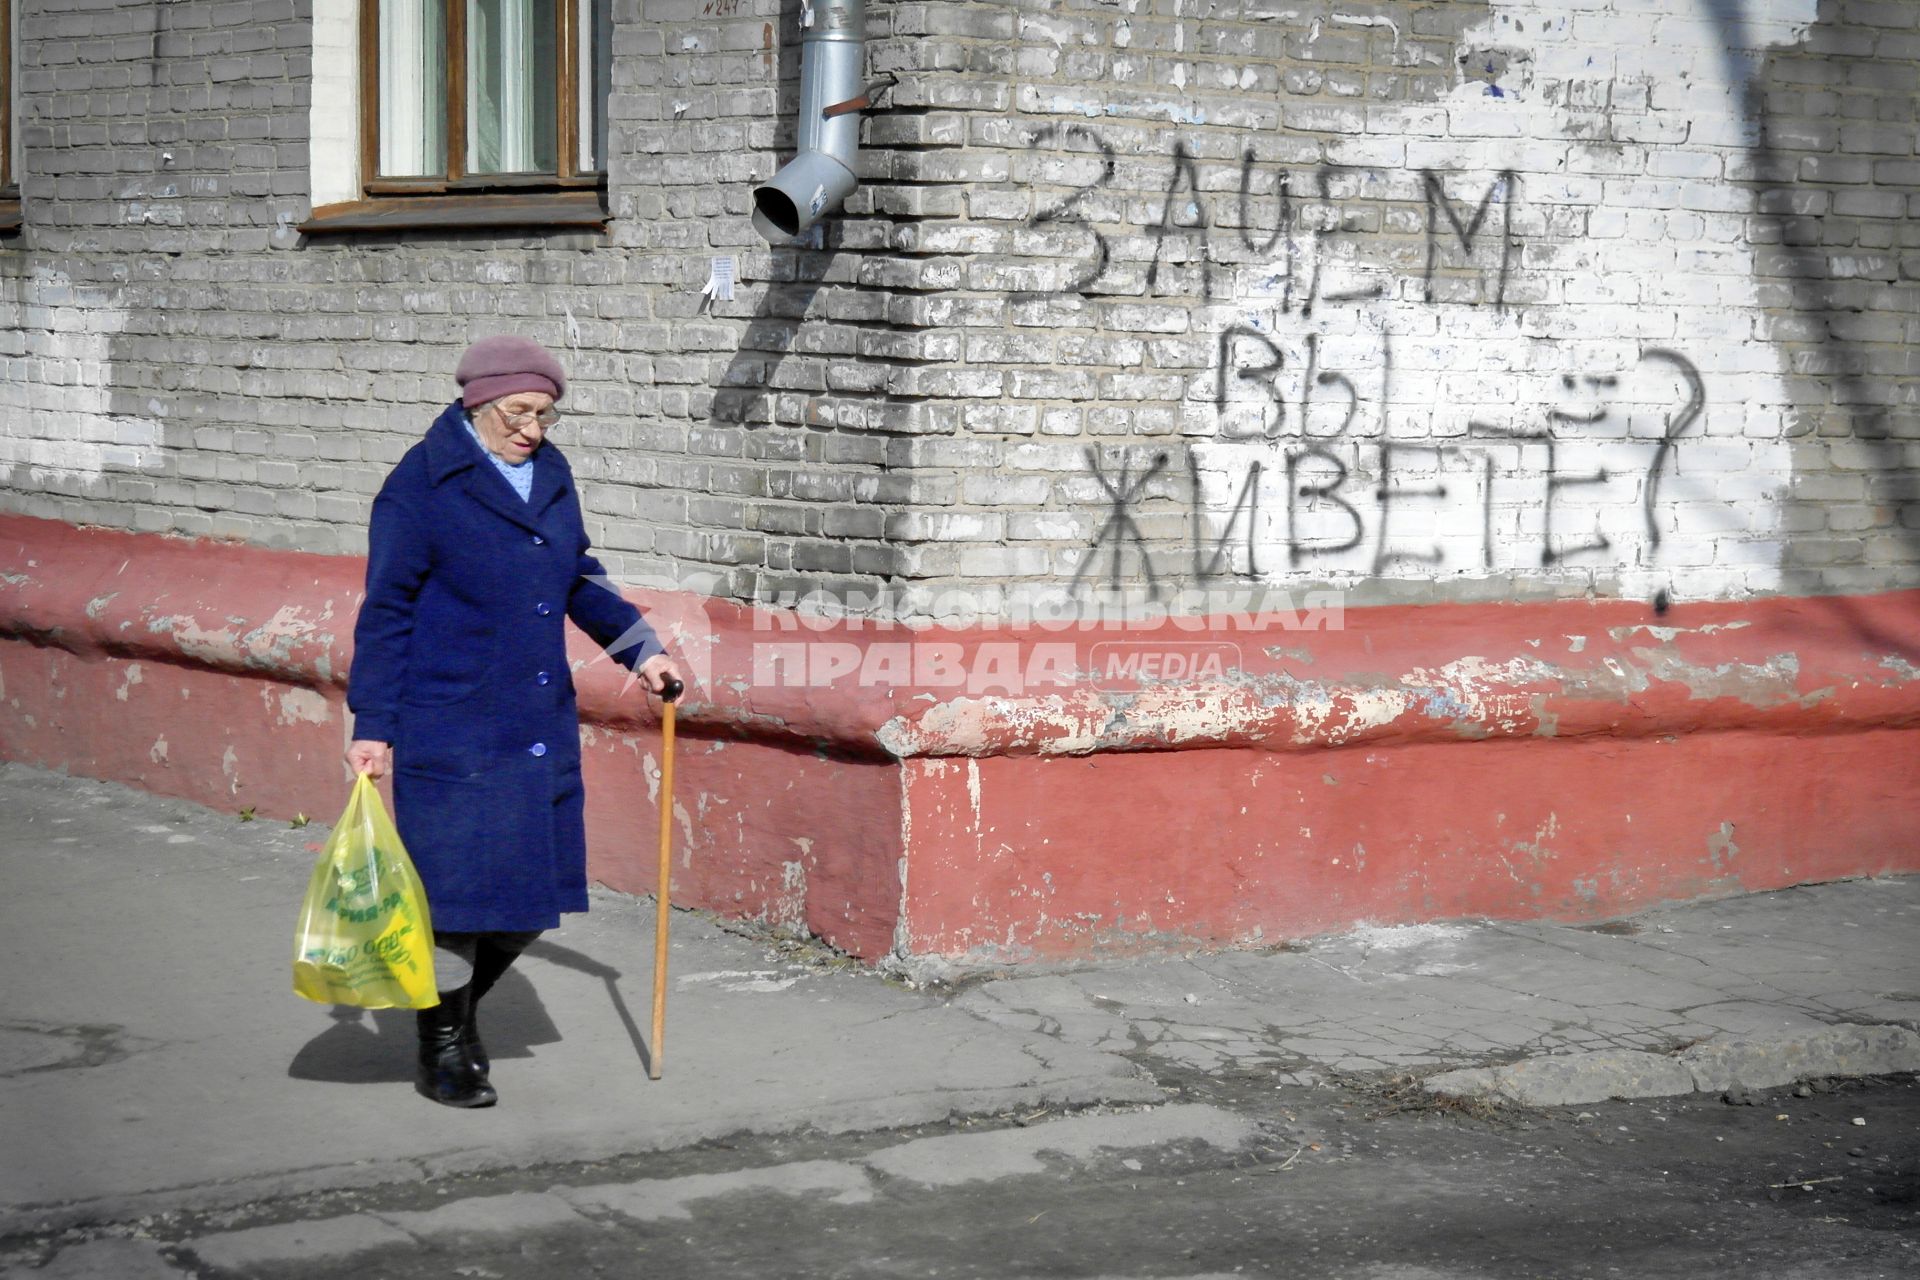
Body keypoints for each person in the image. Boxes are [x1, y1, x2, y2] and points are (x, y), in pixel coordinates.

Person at [344, 336, 681, 1108]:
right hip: (452, 721)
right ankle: (443, 1044)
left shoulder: (550, 474)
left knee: (531, 897)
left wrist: (642, 651)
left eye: (546, 415)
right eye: (520, 413)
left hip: (535, 722)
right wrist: (373, 725)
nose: (533, 429)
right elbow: (387, 611)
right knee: (459, 901)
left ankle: (450, 1012)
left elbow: (580, 578)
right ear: (477, 405)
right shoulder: (421, 487)